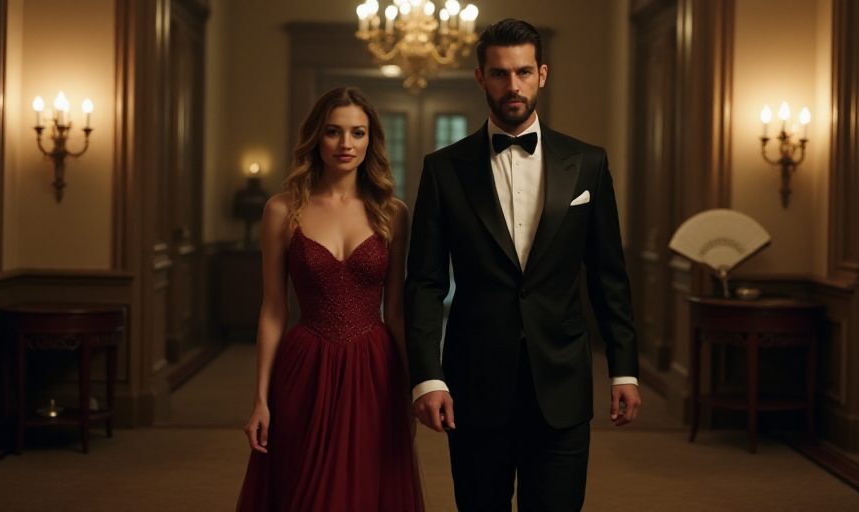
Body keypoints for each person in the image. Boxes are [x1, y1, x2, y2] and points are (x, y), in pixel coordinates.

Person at [404, 18, 643, 512]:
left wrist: (624, 369)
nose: (512, 86)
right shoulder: (443, 169)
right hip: (473, 383)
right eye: (499, 73)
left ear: (542, 74)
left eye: (523, 72)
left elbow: (608, 276)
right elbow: (425, 283)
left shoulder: (588, 163)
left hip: (562, 384)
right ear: (480, 77)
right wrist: (428, 376)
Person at [237, 86, 423, 512]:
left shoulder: (393, 212)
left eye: (357, 133)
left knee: (367, 484)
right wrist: (260, 400)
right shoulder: (282, 210)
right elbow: (273, 309)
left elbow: (395, 311)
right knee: (304, 486)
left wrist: (415, 384)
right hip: (306, 364)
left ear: (370, 140)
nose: (345, 144)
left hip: (375, 367)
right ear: (315, 139)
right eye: (333, 132)